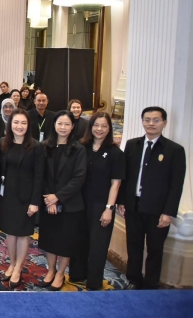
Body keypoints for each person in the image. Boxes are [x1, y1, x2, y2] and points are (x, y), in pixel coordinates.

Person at [118, 106, 186, 290]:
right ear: (142, 122)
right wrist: (122, 201)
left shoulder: (174, 150)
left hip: (158, 210)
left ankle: (151, 283)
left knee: (155, 248)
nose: (151, 124)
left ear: (164, 123)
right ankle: (133, 279)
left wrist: (168, 212)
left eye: (156, 120)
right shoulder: (132, 145)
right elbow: (125, 176)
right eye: (147, 120)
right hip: (133, 206)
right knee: (134, 245)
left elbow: (176, 185)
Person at [68, 112, 125, 290]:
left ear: (109, 129)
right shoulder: (81, 147)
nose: (99, 129)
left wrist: (109, 208)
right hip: (79, 202)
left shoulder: (115, 153)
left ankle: (94, 281)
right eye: (96, 125)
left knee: (98, 245)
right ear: (90, 127)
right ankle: (77, 274)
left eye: (104, 126)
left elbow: (116, 184)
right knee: (79, 239)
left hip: (102, 204)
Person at [39, 110, 87, 291]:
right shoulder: (45, 146)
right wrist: (49, 198)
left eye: (67, 124)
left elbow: (79, 178)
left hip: (70, 204)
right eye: (60, 123)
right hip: (48, 202)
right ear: (54, 125)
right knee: (50, 239)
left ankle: (60, 273)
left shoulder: (78, 149)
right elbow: (40, 175)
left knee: (66, 241)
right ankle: (51, 270)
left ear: (73, 126)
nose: (63, 127)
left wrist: (57, 197)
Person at [0, 108, 44, 289]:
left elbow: (39, 176)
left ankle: (18, 268)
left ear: (28, 125)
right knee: (10, 232)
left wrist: (34, 202)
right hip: (7, 195)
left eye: (23, 123)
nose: (19, 126)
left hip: (26, 198)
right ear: (10, 124)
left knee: (23, 233)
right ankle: (12, 263)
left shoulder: (36, 146)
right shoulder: (3, 143)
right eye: (16, 122)